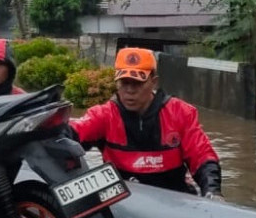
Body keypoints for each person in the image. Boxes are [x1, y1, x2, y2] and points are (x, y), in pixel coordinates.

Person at [69, 47, 223, 199]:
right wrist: (57, 131)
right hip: (125, 204)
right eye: (124, 83)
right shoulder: (104, 115)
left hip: (176, 202)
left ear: (153, 82)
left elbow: (202, 156)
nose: (129, 90)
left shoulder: (180, 112)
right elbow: (75, 131)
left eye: (137, 83)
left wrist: (213, 191)